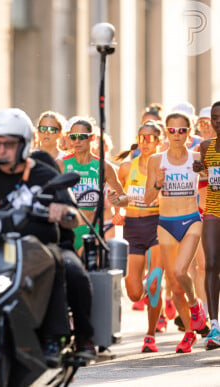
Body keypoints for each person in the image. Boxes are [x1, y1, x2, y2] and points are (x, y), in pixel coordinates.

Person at [0, 109, 93, 362]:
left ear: (23, 144)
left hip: (46, 245)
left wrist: (63, 212)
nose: (3, 150)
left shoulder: (43, 173)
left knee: (72, 271)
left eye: (9, 144)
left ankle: (77, 337)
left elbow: (75, 216)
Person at [144, 112, 206, 353]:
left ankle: (196, 306)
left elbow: (213, 181)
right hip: (166, 222)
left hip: (191, 220)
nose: (177, 134)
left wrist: (205, 174)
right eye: (172, 130)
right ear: (166, 133)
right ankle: (190, 332)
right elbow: (149, 198)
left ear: (189, 134)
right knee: (174, 283)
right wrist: (158, 183)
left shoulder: (198, 158)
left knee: (181, 271)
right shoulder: (156, 160)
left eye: (182, 131)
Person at [115, 121, 164, 352]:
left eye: (150, 138)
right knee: (135, 293)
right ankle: (146, 288)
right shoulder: (127, 167)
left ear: (158, 141)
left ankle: (150, 334)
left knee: (154, 282)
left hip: (157, 225)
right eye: (142, 137)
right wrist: (118, 210)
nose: (145, 142)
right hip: (132, 228)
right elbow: (118, 195)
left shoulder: (164, 166)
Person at [60, 116, 128, 253]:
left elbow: (124, 200)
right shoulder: (61, 164)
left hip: (93, 230)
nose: (77, 141)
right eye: (73, 137)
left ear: (92, 138)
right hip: (67, 229)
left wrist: (117, 200)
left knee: (88, 270)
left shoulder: (103, 166)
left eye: (82, 137)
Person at [193, 101, 220, 349]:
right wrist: (200, 169)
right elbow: (207, 176)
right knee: (211, 263)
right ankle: (214, 325)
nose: (218, 121)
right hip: (213, 209)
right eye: (214, 117)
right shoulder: (205, 147)